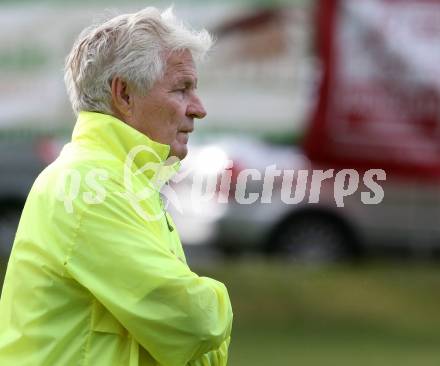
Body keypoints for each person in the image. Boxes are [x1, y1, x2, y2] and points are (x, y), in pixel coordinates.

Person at [0, 7, 233, 366]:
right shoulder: (87, 186)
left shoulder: (118, 180)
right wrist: (220, 302)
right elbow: (197, 323)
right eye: (182, 89)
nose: (199, 108)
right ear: (123, 94)